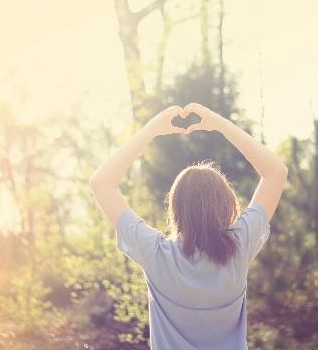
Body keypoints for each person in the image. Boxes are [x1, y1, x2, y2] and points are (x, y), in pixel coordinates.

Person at [89, 103, 288, 349]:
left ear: (175, 209)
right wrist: (220, 124)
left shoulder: (155, 253)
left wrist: (152, 129)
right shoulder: (239, 246)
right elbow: (276, 172)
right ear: (226, 205)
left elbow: (101, 183)